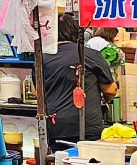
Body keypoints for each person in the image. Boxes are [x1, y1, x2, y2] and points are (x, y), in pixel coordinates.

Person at [43, 13, 117, 145]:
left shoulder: (43, 58)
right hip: (87, 127)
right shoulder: (89, 54)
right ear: (75, 31)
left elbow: (37, 91)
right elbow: (110, 90)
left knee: (59, 163)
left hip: (55, 127)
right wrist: (105, 100)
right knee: (88, 163)